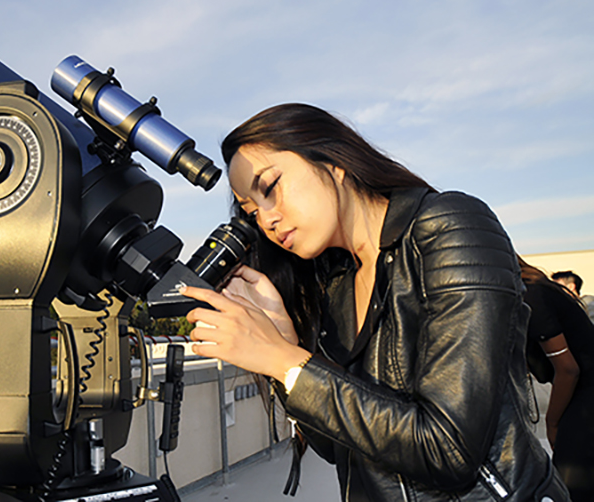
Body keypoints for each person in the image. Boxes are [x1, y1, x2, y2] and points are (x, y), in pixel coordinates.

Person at [181, 103, 568, 500]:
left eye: (270, 188)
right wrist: (284, 342)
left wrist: (282, 359)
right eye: (250, 212)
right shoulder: (336, 282)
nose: (267, 219)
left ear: (333, 162)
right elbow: (338, 447)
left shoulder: (448, 226)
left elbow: (448, 449)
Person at [522, 260, 594, 500]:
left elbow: (568, 369)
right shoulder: (538, 289)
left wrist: (553, 424)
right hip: (582, 394)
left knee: (572, 486)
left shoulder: (531, 295)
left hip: (585, 395)